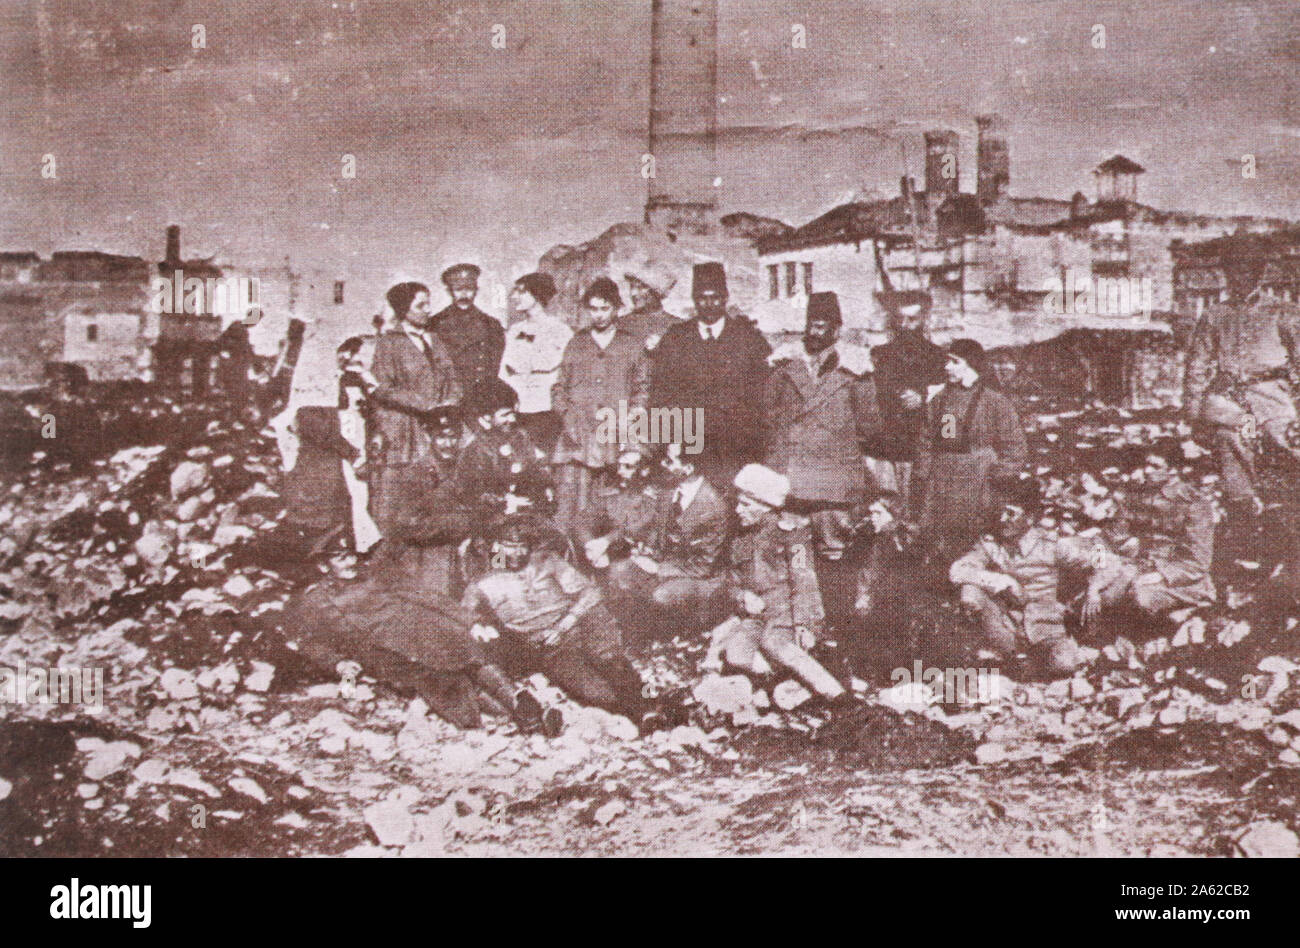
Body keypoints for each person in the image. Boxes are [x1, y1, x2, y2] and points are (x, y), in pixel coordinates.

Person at [461, 515, 661, 732]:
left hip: (579, 623)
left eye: (522, 546)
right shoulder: (482, 583)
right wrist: (477, 623)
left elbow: (591, 592)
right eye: (510, 547)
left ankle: (649, 707)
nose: (518, 553)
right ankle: (645, 709)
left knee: (612, 662)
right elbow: (463, 614)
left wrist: (566, 623)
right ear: (497, 546)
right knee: (594, 692)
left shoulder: (547, 561)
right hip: (550, 647)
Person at [764, 290, 882, 627]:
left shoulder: (855, 371)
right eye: (811, 325)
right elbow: (770, 416)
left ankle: (840, 626)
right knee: (798, 556)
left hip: (835, 483)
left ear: (837, 330)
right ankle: (805, 626)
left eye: (823, 327)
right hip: (794, 481)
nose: (816, 333)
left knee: (835, 555)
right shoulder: (784, 366)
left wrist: (840, 448)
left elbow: (869, 426)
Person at [704, 464, 848, 702]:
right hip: (756, 616)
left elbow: (805, 581)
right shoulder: (740, 540)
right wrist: (743, 597)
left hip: (787, 615)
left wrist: (806, 624)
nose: (738, 510)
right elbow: (731, 582)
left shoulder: (794, 534)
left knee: (776, 643)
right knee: (737, 654)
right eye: (739, 503)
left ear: (765, 507)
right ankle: (782, 685)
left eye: (746, 505)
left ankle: (835, 694)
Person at [948, 487, 1119, 678]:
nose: (1003, 519)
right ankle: (993, 657)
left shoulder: (1052, 545)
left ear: (1029, 519)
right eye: (1003, 512)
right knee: (970, 590)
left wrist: (1094, 588)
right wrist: (1001, 580)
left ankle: (1027, 665)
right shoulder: (991, 545)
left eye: (1011, 513)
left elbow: (1107, 559)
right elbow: (959, 570)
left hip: (1045, 626)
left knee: (1064, 666)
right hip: (1006, 626)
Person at [648, 262, 772, 489]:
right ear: (694, 300)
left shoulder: (747, 338)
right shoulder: (676, 338)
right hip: (689, 446)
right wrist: (669, 440)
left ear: (725, 298)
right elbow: (661, 393)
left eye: (715, 297)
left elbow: (762, 394)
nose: (709, 304)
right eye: (702, 298)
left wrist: (754, 442)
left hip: (735, 446)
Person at [361, 282, 462, 540]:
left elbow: (452, 376)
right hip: (406, 427)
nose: (428, 310)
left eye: (429, 303)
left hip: (439, 424)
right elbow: (381, 388)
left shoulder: (435, 339)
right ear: (404, 310)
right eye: (421, 305)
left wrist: (450, 401)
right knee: (404, 490)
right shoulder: (389, 343)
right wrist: (423, 405)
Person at [1184, 294, 1300, 516]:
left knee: (1288, 440)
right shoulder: (1215, 315)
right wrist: (1193, 413)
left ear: (1262, 271)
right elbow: (1197, 364)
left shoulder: (1282, 311)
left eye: (1252, 269)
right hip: (1231, 399)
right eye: (1237, 269)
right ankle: (1244, 512)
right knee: (1233, 439)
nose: (1244, 276)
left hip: (1271, 395)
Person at [551, 277, 651, 531]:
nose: (598, 315)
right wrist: (566, 415)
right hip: (579, 434)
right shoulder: (577, 344)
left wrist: (635, 413)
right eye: (593, 309)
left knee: (612, 499)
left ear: (616, 308)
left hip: (617, 432)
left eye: (604, 308)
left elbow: (643, 386)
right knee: (575, 502)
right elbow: (559, 387)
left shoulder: (631, 344)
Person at [915, 338, 1028, 560]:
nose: (947, 367)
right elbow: (928, 441)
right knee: (939, 542)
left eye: (954, 361)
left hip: (979, 481)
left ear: (971, 365)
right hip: (943, 482)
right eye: (947, 361)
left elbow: (1015, 447)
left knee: (973, 542)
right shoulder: (941, 400)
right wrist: (925, 472)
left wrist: (996, 477)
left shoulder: (995, 401)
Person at [606, 442, 731, 632]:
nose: (663, 464)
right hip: (667, 565)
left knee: (662, 595)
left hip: (699, 577)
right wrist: (645, 549)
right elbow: (657, 531)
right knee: (619, 571)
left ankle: (678, 636)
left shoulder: (713, 507)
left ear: (688, 468)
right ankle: (631, 635)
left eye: (669, 461)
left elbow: (704, 566)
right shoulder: (668, 490)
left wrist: (657, 568)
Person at [1089, 455, 1217, 618]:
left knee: (1142, 597)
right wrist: (1101, 567)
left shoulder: (1194, 502)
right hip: (1139, 564)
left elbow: (1198, 563)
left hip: (1180, 578)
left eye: (1155, 466)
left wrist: (1161, 574)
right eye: (1146, 465)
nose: (1147, 471)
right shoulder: (1141, 494)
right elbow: (1112, 536)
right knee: (1104, 594)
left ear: (1173, 470)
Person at [867, 290, 947, 511]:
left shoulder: (938, 357)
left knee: (918, 507)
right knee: (884, 509)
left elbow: (948, 398)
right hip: (884, 447)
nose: (904, 325)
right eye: (900, 318)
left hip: (919, 447)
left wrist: (922, 398)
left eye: (912, 319)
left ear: (924, 320)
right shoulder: (880, 355)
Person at [453, 378, 555, 524]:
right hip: (490, 522)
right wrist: (505, 501)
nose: (512, 419)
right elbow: (467, 494)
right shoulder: (474, 450)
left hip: (526, 516)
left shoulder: (520, 437)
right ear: (485, 418)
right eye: (505, 415)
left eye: (513, 413)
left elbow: (535, 469)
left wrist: (546, 486)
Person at [851, 492, 926, 673]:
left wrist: (862, 598)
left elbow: (871, 573)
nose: (873, 518)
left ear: (893, 513)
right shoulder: (909, 536)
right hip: (908, 609)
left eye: (878, 513)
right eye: (871, 513)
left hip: (888, 609)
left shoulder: (886, 537)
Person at [500, 272, 572, 454]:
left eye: (521, 291)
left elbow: (568, 374)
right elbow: (504, 372)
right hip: (517, 412)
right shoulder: (514, 331)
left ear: (537, 294)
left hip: (545, 411)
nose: (515, 296)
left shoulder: (560, 331)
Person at [432, 263, 506, 392]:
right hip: (448, 393)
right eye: (458, 289)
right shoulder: (435, 324)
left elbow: (494, 365)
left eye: (469, 289)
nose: (464, 294)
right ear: (449, 291)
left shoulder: (491, 324)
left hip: (480, 394)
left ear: (476, 290)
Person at [620, 264, 678, 350]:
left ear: (657, 292)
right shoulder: (620, 324)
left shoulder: (678, 326)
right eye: (632, 287)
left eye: (640, 288)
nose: (633, 293)